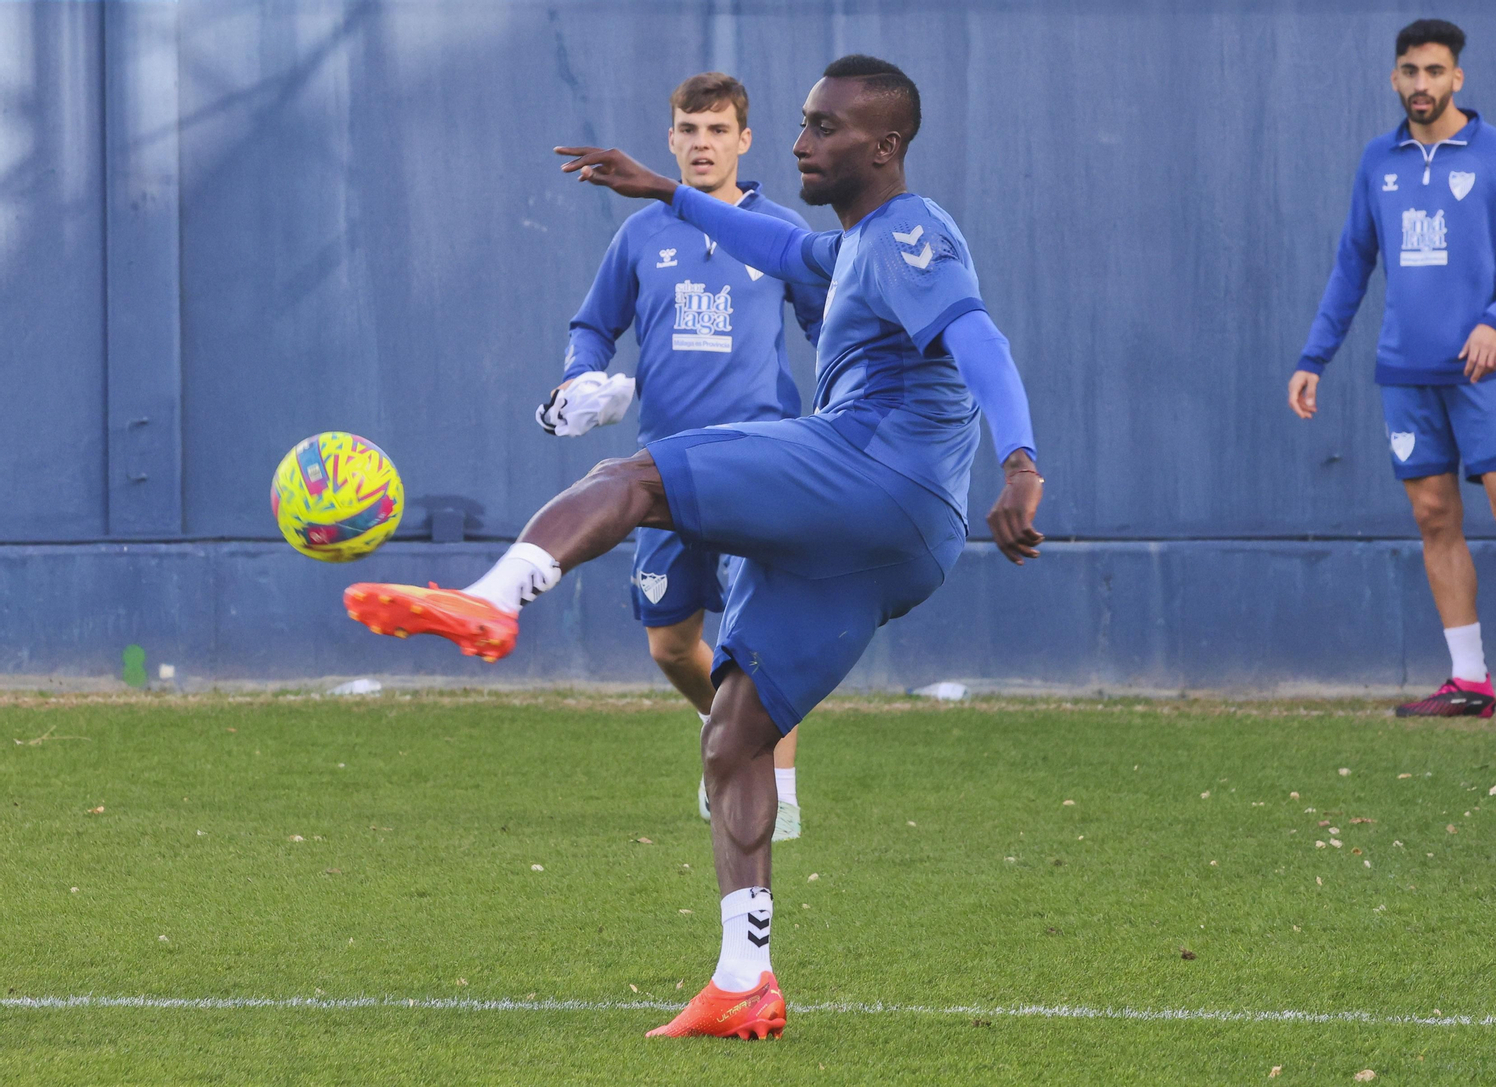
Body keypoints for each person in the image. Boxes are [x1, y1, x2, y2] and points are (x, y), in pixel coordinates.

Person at [344, 54, 1044, 1038]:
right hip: (900, 543)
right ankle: (744, 977)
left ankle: (495, 598)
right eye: (801, 124)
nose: (802, 143)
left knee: (632, 478)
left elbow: (980, 341)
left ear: (884, 147)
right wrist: (664, 189)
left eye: (825, 128)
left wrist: (1021, 460)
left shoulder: (913, 229)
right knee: (733, 732)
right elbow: (762, 236)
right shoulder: (850, 252)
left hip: (873, 473)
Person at [1289, 19, 1496, 720]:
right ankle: (1469, 681)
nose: (1420, 84)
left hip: (1486, 372)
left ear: (1457, 77)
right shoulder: (1379, 162)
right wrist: (1314, 358)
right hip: (1405, 372)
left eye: (1433, 71)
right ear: (1394, 79)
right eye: (1409, 71)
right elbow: (1351, 267)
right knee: (1433, 518)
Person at [550, 72, 824, 837]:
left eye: (716, 130)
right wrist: (580, 379)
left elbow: (829, 331)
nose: (701, 143)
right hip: (664, 473)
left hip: (763, 463)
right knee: (671, 643)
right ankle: (737, 731)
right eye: (688, 130)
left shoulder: (777, 234)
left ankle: (780, 782)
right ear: (670, 139)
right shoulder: (640, 233)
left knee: (757, 634)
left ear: (743, 140)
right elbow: (593, 325)